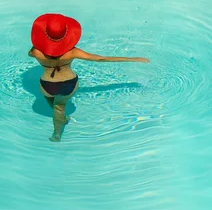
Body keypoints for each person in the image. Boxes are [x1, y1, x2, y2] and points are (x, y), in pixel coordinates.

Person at [28, 13, 149, 141]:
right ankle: (57, 134)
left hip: (47, 85)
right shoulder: (72, 52)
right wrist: (133, 59)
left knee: (55, 107)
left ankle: (60, 121)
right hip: (68, 83)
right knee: (59, 107)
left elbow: (31, 53)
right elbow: (100, 59)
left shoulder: (36, 52)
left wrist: (45, 47)